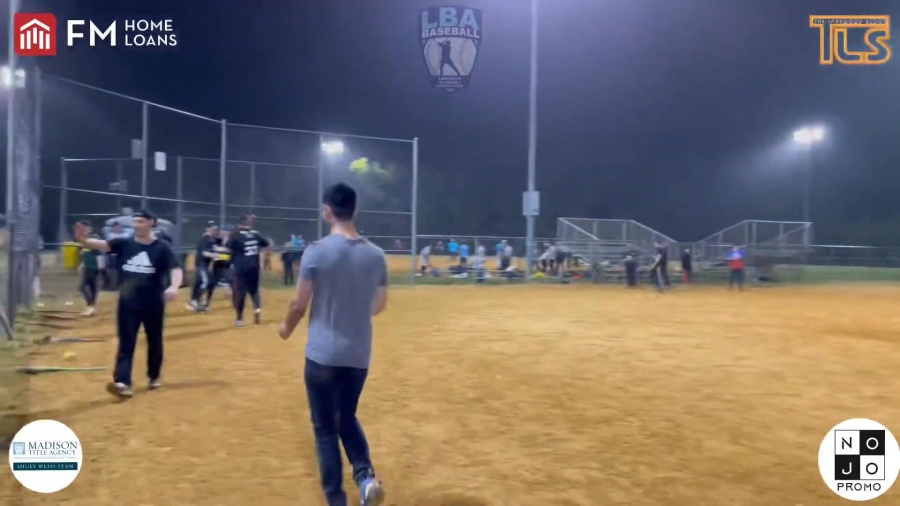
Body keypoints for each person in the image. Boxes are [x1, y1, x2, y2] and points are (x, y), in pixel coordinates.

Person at [277, 182, 387, 506]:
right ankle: (365, 478)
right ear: (356, 209)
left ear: (328, 212)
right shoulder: (376, 255)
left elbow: (299, 305)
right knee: (346, 416)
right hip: (358, 354)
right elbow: (379, 303)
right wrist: (353, 311)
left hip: (322, 355)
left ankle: (337, 499)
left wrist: (285, 329)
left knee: (325, 428)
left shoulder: (316, 251)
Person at [74, 210, 182, 398]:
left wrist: (173, 287)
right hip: (128, 301)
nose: (136, 225)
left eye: (141, 221)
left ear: (151, 223)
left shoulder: (162, 247)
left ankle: (154, 375)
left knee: (154, 339)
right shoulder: (124, 243)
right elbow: (103, 245)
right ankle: (123, 382)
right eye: (135, 221)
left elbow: (175, 268)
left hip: (153, 302)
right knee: (126, 341)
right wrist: (83, 240)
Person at [228, 215, 270, 326]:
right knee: (254, 290)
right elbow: (266, 243)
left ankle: (239, 319)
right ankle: (257, 309)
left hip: (241, 268)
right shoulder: (255, 234)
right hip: (254, 267)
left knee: (240, 293)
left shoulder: (236, 236)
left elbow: (228, 246)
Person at [188, 222, 221, 312]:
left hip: (206, 266)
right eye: (212, 228)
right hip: (201, 264)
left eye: (215, 229)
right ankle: (195, 302)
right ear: (207, 229)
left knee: (208, 283)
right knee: (204, 282)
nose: (214, 230)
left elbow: (215, 250)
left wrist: (222, 255)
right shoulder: (205, 238)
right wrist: (214, 256)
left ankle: (199, 302)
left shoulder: (212, 239)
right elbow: (204, 253)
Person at [77, 220, 104, 317]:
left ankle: (91, 307)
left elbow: (100, 253)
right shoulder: (83, 239)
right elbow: (82, 253)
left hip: (94, 266)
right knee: (82, 287)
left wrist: (101, 267)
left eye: (83, 227)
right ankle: (90, 306)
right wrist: (81, 263)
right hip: (87, 266)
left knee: (92, 287)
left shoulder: (94, 238)